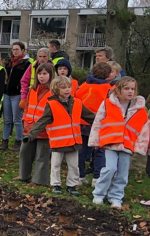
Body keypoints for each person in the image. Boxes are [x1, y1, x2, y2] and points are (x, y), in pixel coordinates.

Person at [24, 76, 96, 195]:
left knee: (74, 166)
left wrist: (104, 125)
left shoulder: (77, 103)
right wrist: (31, 135)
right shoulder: (52, 105)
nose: (67, 90)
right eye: (63, 88)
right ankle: (56, 184)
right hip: (58, 142)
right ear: (56, 89)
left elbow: (90, 117)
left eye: (68, 87)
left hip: (74, 142)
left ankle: (71, 186)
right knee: (55, 165)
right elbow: (42, 121)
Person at [89, 77, 149, 209]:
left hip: (127, 146)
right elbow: (98, 122)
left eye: (132, 89)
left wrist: (142, 147)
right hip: (110, 143)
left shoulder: (140, 109)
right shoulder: (107, 104)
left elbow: (145, 129)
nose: (130, 92)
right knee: (109, 169)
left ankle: (116, 197)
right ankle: (99, 194)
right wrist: (95, 140)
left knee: (122, 173)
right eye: (126, 88)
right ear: (118, 90)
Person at [16, 63, 55, 186]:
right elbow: (27, 106)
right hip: (29, 127)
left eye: (44, 74)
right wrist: (24, 119)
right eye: (39, 73)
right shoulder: (32, 90)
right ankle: (24, 175)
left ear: (51, 75)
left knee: (41, 155)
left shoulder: (53, 92)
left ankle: (39, 180)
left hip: (44, 129)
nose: (41, 77)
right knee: (24, 152)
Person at [76, 62, 113, 186]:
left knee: (81, 151)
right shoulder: (108, 89)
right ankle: (97, 178)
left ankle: (80, 176)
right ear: (108, 75)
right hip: (99, 124)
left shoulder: (83, 86)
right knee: (99, 151)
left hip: (82, 122)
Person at [0, 42, 32, 151]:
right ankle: (4, 141)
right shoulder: (9, 62)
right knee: (7, 119)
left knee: (17, 120)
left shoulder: (27, 63)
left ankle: (18, 141)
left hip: (17, 94)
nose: (15, 51)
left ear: (23, 50)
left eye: (17, 49)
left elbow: (26, 79)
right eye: (13, 49)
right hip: (7, 93)